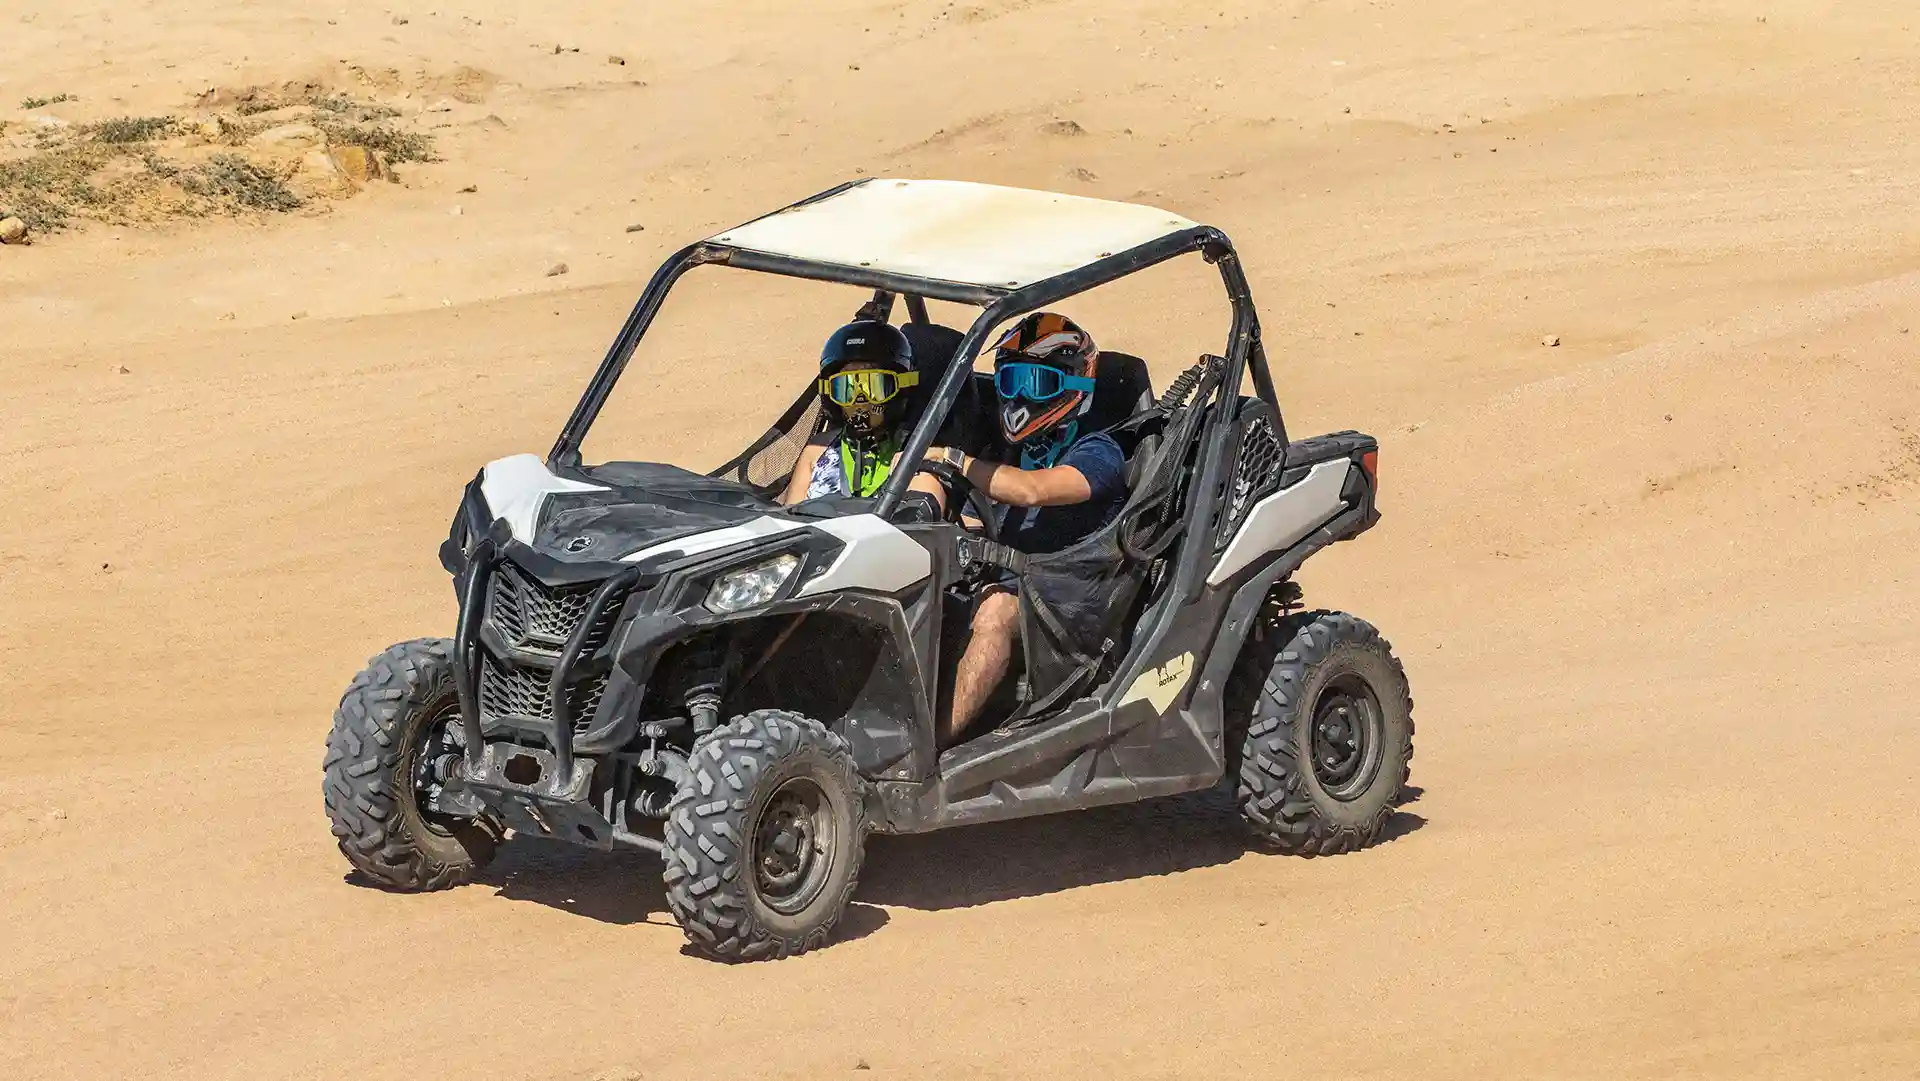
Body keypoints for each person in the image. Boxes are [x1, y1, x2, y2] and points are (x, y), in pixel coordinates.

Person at [926, 312, 1129, 746]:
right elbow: (985, 511)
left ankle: (928, 750)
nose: (1020, 396)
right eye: (1010, 380)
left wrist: (955, 460)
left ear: (1076, 384)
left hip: (1070, 596)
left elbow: (1032, 491)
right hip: (1009, 577)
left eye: (1037, 383)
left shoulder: (1098, 453)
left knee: (997, 611)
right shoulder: (1009, 451)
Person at [780, 319, 945, 507]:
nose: (860, 400)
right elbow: (789, 522)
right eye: (846, 388)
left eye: (872, 385)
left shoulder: (917, 459)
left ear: (899, 389)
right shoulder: (817, 452)